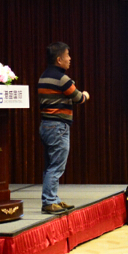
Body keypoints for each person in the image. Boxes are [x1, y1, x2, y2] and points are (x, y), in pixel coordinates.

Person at [38, 42, 89, 214]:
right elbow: (78, 97)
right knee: (56, 167)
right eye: (67, 55)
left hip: (45, 125)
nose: (70, 59)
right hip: (58, 126)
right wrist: (86, 95)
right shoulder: (62, 79)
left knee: (50, 166)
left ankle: (53, 199)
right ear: (59, 60)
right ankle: (49, 201)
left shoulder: (43, 76)